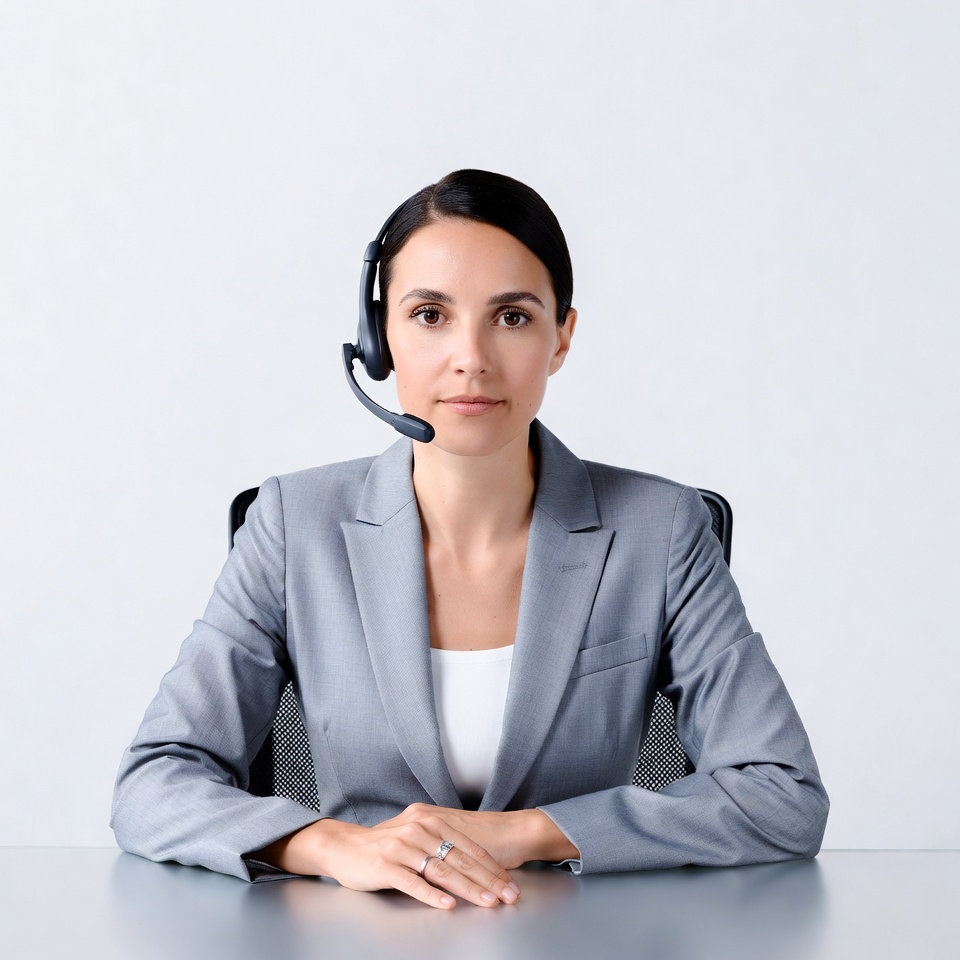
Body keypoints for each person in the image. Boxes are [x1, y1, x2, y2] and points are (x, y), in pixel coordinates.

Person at [111, 169, 828, 910]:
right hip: (356, 934)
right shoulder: (295, 523)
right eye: (429, 315)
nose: (471, 358)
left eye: (512, 317)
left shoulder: (663, 529)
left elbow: (783, 796)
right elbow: (155, 781)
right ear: (379, 338)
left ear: (562, 338)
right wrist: (334, 845)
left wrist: (526, 835)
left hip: (581, 937)